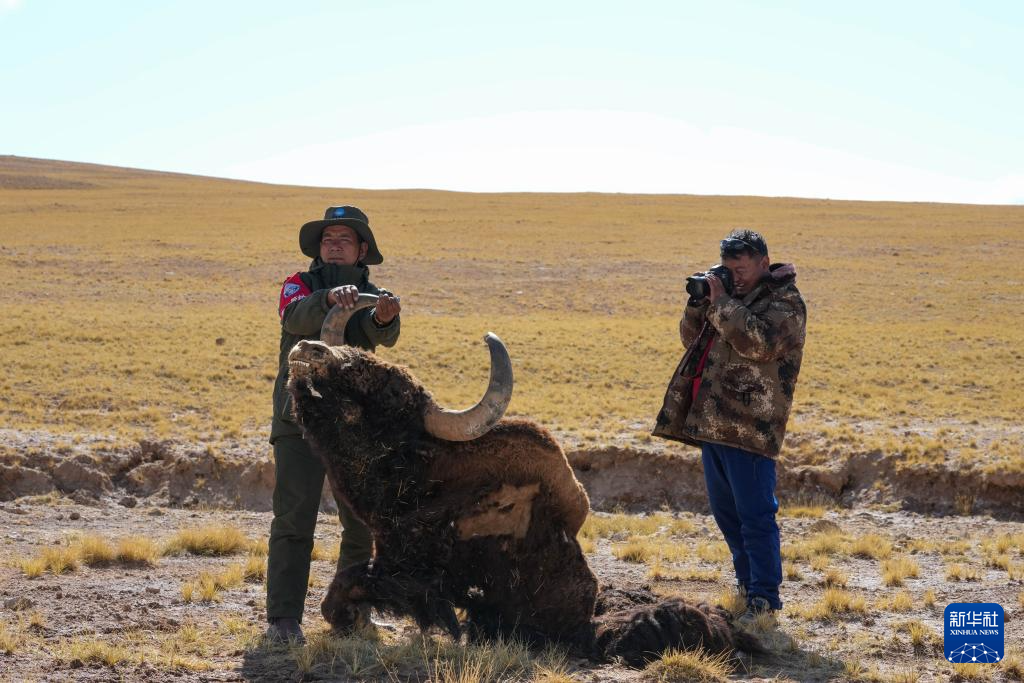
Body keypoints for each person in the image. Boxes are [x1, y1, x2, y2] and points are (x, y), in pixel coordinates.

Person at [652, 228, 806, 625]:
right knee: (728, 514)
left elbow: (759, 343)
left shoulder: (785, 302)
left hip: (751, 428)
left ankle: (765, 598)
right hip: (714, 424)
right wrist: (698, 303)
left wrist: (721, 302)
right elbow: (691, 341)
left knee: (755, 516)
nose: (734, 277)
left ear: (763, 262)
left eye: (741, 269)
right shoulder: (731, 298)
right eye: (729, 269)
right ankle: (746, 585)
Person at [266, 205, 402, 643]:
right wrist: (327, 299)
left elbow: (381, 334)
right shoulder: (298, 285)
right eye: (328, 239)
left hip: (354, 428)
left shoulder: (374, 294)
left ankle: (351, 613)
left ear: (362, 250)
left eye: (345, 239)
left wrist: (385, 317)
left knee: (361, 523)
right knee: (294, 519)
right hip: (299, 420)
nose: (335, 245)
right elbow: (294, 317)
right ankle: (283, 619)